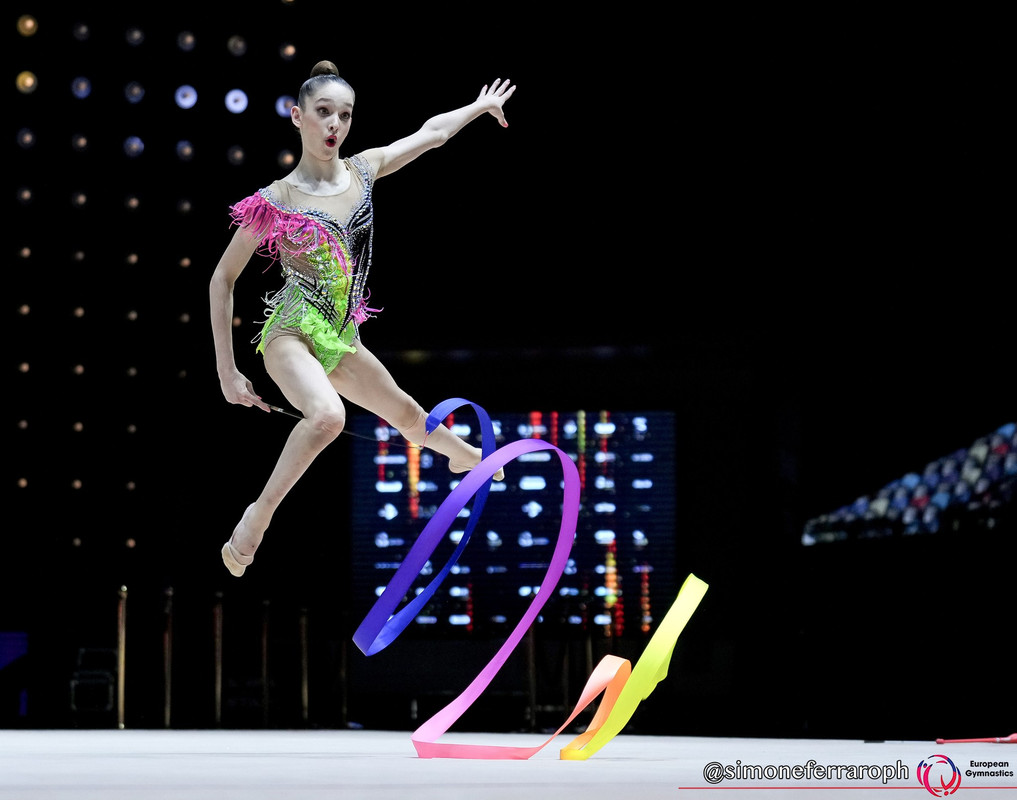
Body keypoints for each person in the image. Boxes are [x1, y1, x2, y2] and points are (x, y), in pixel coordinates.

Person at [210, 60, 515, 577]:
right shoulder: (276, 200)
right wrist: (226, 371)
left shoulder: (363, 171)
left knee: (408, 413)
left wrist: (480, 106)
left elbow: (432, 134)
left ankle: (464, 456)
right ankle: (256, 517)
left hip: (339, 334)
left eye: (345, 115)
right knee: (328, 417)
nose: (335, 124)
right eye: (323, 112)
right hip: (290, 332)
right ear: (297, 117)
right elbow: (222, 280)